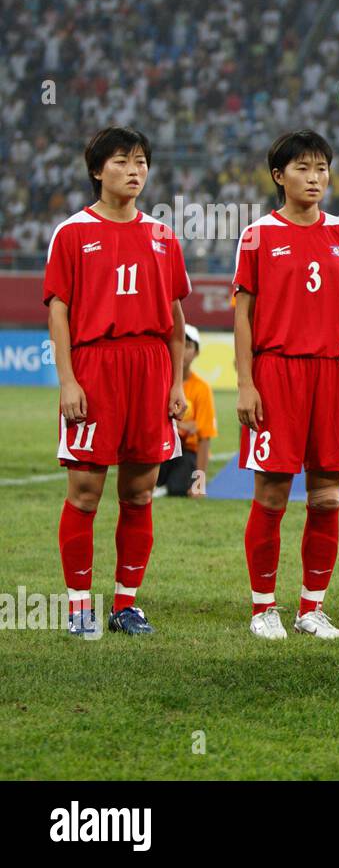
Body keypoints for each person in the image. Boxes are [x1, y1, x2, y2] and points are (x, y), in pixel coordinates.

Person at [44, 126, 190, 637]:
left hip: (150, 369)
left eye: (142, 162)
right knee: (85, 492)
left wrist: (176, 384)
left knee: (139, 493)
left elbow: (174, 320)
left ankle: (126, 604)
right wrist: (67, 380)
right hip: (95, 368)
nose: (135, 171)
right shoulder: (72, 233)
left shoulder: (162, 235)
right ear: (96, 170)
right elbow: (58, 313)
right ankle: (79, 606)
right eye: (123, 161)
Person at [233, 129, 339, 641]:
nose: (314, 178)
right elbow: (243, 314)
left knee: (327, 498)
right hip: (278, 373)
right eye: (302, 169)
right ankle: (262, 608)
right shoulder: (257, 235)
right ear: (279, 176)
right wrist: (245, 383)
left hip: (333, 375)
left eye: (321, 169)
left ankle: (311, 608)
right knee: (272, 495)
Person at [155, 324, 217, 498]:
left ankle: (167, 485)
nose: (182, 351)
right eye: (178, 344)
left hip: (188, 451)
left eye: (188, 346)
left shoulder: (202, 388)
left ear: (196, 352)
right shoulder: (158, 381)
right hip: (161, 447)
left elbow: (204, 436)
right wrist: (185, 425)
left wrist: (200, 481)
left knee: (178, 487)